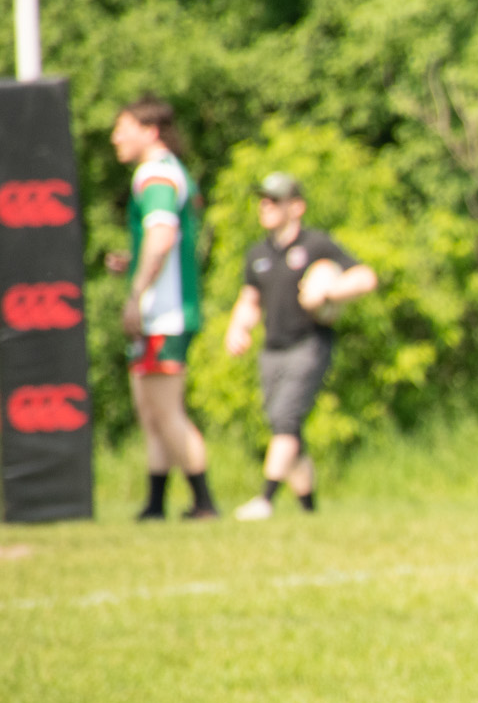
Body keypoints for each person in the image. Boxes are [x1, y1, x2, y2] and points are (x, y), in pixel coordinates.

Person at [222, 172, 378, 520]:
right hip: (271, 348)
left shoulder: (316, 245)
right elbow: (250, 299)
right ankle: (309, 511)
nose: (266, 206)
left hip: (308, 345)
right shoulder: (258, 253)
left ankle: (265, 499)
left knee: (285, 418)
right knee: (288, 431)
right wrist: (238, 327)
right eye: (263, 199)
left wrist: (330, 292)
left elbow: (366, 277)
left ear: (297, 207)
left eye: (274, 200)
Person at [107, 96, 217, 521]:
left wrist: (136, 293)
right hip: (163, 311)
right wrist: (133, 262)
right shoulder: (167, 171)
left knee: (166, 411)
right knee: (150, 411)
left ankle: (204, 502)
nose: (116, 137)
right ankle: (155, 505)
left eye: (123, 127)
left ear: (149, 130)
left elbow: (162, 236)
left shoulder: (155, 174)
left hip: (165, 314)